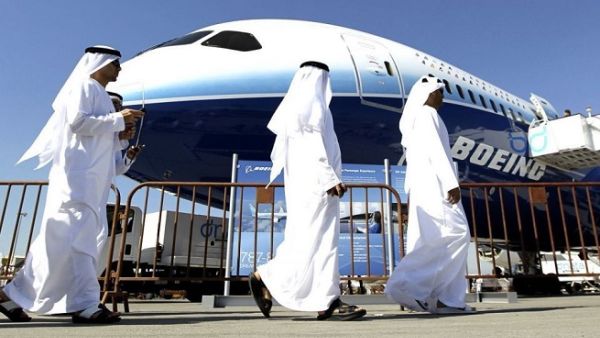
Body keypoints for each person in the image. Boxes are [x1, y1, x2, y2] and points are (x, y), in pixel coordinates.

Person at [0, 46, 144, 323]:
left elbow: (96, 140)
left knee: (67, 245)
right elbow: (78, 123)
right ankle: (85, 304)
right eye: (115, 63)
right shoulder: (84, 86)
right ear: (98, 63)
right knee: (74, 244)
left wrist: (121, 136)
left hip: (92, 185)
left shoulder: (98, 93)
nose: (119, 69)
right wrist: (118, 119)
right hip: (76, 181)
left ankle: (14, 296)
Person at [248, 61, 366, 321]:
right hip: (316, 187)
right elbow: (313, 145)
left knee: (307, 241)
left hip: (310, 187)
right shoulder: (309, 105)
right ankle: (327, 301)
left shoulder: (302, 108)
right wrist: (329, 178)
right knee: (321, 242)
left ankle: (267, 277)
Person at [385, 75, 474, 314]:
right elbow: (437, 151)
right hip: (435, 185)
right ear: (429, 94)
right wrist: (450, 182)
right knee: (457, 233)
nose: (442, 98)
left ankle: (445, 299)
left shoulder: (417, 119)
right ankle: (408, 285)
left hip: (422, 186)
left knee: (431, 238)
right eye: (440, 92)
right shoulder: (427, 114)